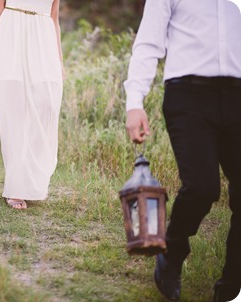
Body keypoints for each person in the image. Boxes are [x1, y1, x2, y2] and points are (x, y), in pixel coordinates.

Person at [124, 0, 241, 301]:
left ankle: (230, 289)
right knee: (202, 187)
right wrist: (135, 103)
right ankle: (171, 255)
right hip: (188, 95)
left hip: (237, 95)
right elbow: (148, 43)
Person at [0, 0, 64, 209]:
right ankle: (16, 187)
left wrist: (59, 60)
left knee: (47, 105)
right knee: (14, 110)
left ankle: (32, 179)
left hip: (43, 41)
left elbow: (54, 18)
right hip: (12, 37)